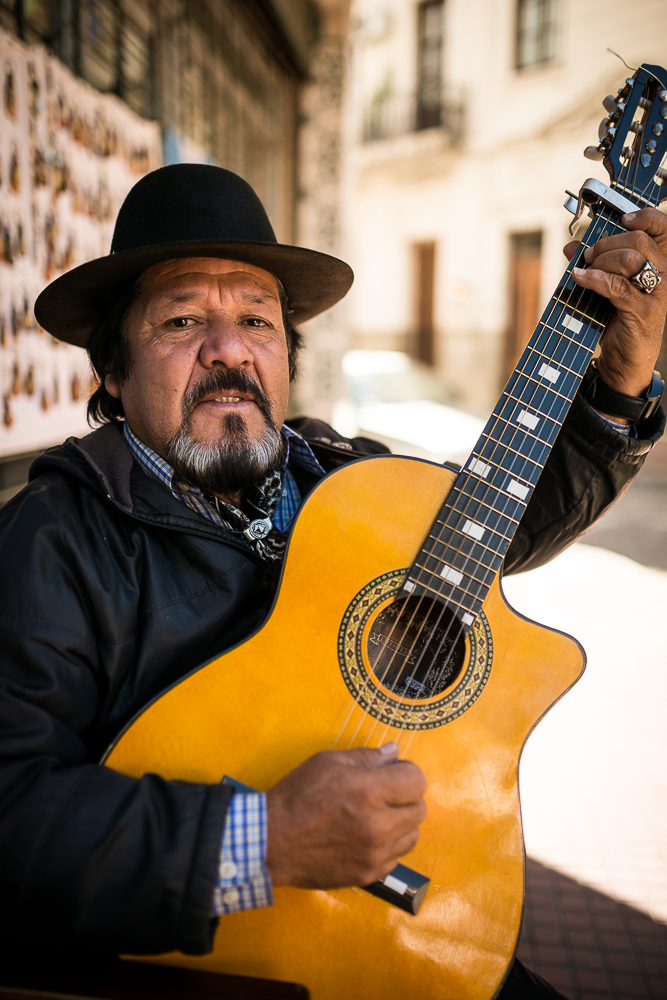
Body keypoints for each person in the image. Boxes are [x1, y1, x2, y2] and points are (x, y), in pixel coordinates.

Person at [0, 164, 664, 999]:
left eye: (256, 319)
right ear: (113, 371)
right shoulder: (52, 537)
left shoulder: (352, 479)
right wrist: (262, 841)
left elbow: (497, 526)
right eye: (181, 320)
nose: (229, 347)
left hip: (424, 933)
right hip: (206, 969)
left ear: (285, 354)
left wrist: (615, 389)